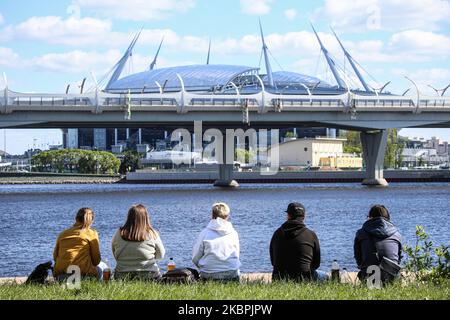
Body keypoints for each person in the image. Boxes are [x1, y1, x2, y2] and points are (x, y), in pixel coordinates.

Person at [270, 202, 327, 282]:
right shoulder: (311, 235)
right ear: (304, 217)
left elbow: (273, 262)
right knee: (326, 276)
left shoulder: (277, 233)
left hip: (279, 279)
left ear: (288, 216)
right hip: (304, 279)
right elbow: (316, 264)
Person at [112, 204, 165, 281]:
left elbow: (114, 252)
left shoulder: (119, 233)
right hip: (149, 276)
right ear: (145, 217)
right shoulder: (152, 234)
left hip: (122, 276)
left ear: (129, 217)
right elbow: (161, 255)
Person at [53, 208, 108, 280]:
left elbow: (55, 257)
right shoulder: (92, 233)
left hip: (62, 275)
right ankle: (106, 286)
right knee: (105, 267)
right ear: (91, 221)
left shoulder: (63, 234)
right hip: (84, 276)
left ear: (76, 219)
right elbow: (96, 261)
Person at [192, 202, 241, 281]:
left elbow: (195, 257)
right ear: (228, 216)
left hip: (209, 273)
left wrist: (204, 266)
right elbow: (236, 255)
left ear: (212, 215)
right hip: (231, 273)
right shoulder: (233, 233)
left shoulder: (205, 233)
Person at [354, 204, 402, 281]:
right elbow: (398, 258)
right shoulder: (396, 234)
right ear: (388, 218)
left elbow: (359, 260)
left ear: (370, 217)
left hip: (369, 277)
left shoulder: (361, 233)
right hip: (392, 277)